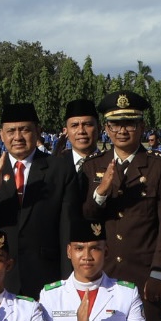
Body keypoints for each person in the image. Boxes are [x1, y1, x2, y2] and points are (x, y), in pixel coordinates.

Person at [81, 92, 161, 321]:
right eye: (115, 124)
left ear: (142, 126)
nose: (122, 130)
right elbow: (86, 219)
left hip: (144, 274)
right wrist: (101, 193)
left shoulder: (159, 166)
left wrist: (159, 273)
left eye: (130, 124)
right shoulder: (93, 165)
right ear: (106, 128)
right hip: (103, 273)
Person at [0, 103, 66, 298]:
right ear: (2, 134)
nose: (18, 137)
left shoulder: (59, 169)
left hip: (47, 277)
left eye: (24, 130)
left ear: (37, 131)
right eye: (11, 131)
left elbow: (67, 229)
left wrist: (67, 282)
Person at [55, 98, 101, 278]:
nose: (81, 131)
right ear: (66, 131)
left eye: (87, 124)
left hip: (102, 258)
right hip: (61, 260)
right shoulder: (53, 167)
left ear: (99, 127)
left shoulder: (110, 165)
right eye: (74, 125)